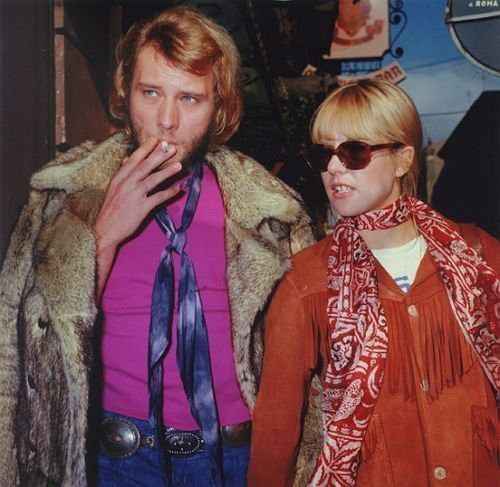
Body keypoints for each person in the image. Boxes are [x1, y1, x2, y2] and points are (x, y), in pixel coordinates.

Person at [0, 6, 316, 486]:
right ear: (125, 92)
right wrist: (104, 234)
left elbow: (310, 366)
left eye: (190, 98)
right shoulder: (62, 196)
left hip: (239, 461)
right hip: (112, 462)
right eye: (151, 93)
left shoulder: (271, 213)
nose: (167, 120)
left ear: (219, 107)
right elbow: (20, 350)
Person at [248, 79, 499, 486]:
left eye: (354, 152)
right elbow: (276, 431)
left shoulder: (479, 255)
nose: (334, 168)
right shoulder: (306, 282)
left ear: (402, 159)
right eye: (323, 154)